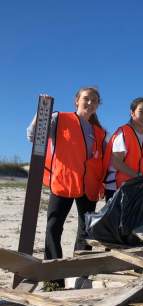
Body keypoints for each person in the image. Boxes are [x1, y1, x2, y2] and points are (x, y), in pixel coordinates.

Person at [26, 87, 106, 269]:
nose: (90, 103)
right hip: (63, 182)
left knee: (87, 230)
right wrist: (42, 111)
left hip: (89, 186)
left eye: (94, 100)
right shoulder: (59, 118)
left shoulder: (99, 132)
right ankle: (54, 276)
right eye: (86, 98)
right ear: (76, 100)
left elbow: (101, 160)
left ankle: (80, 272)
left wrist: (101, 184)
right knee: (54, 227)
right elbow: (32, 135)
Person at [103, 97, 143, 201]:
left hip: (135, 188)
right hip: (119, 188)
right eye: (141, 111)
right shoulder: (124, 132)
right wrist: (138, 176)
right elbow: (116, 162)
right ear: (132, 113)